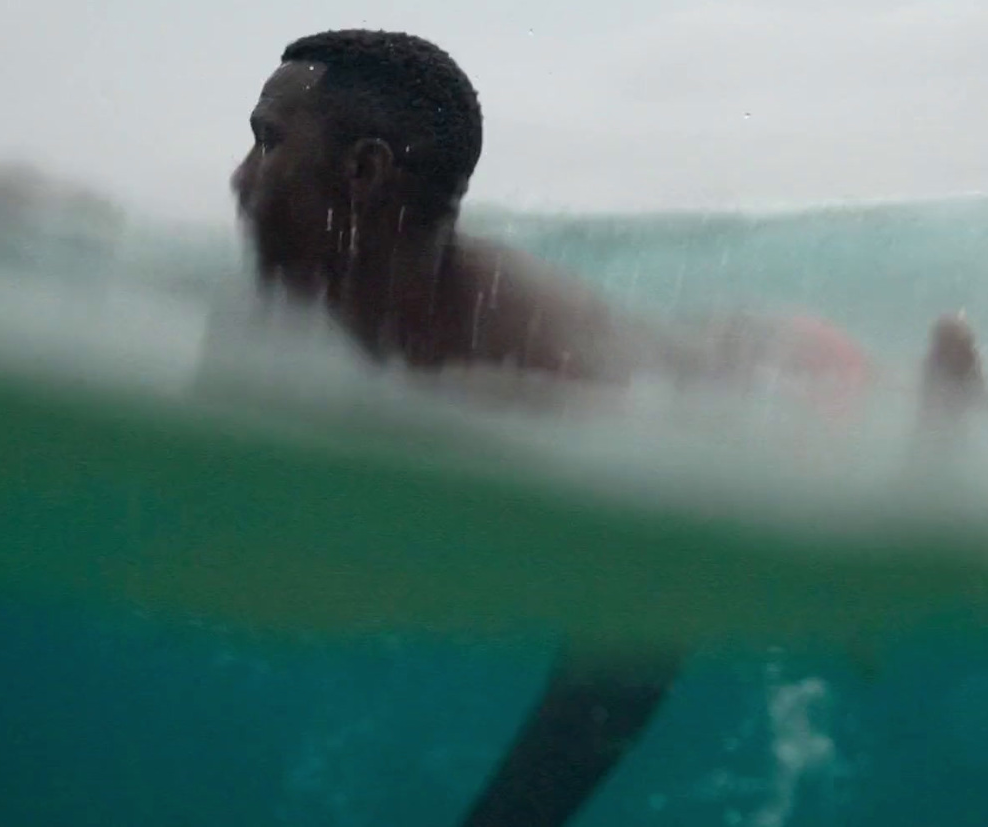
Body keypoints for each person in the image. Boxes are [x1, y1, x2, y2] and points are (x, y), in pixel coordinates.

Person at [231, 28, 702, 827]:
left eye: (266, 143)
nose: (240, 179)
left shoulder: (531, 367)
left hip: (795, 377)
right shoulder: (300, 300)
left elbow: (655, 601)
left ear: (366, 170)